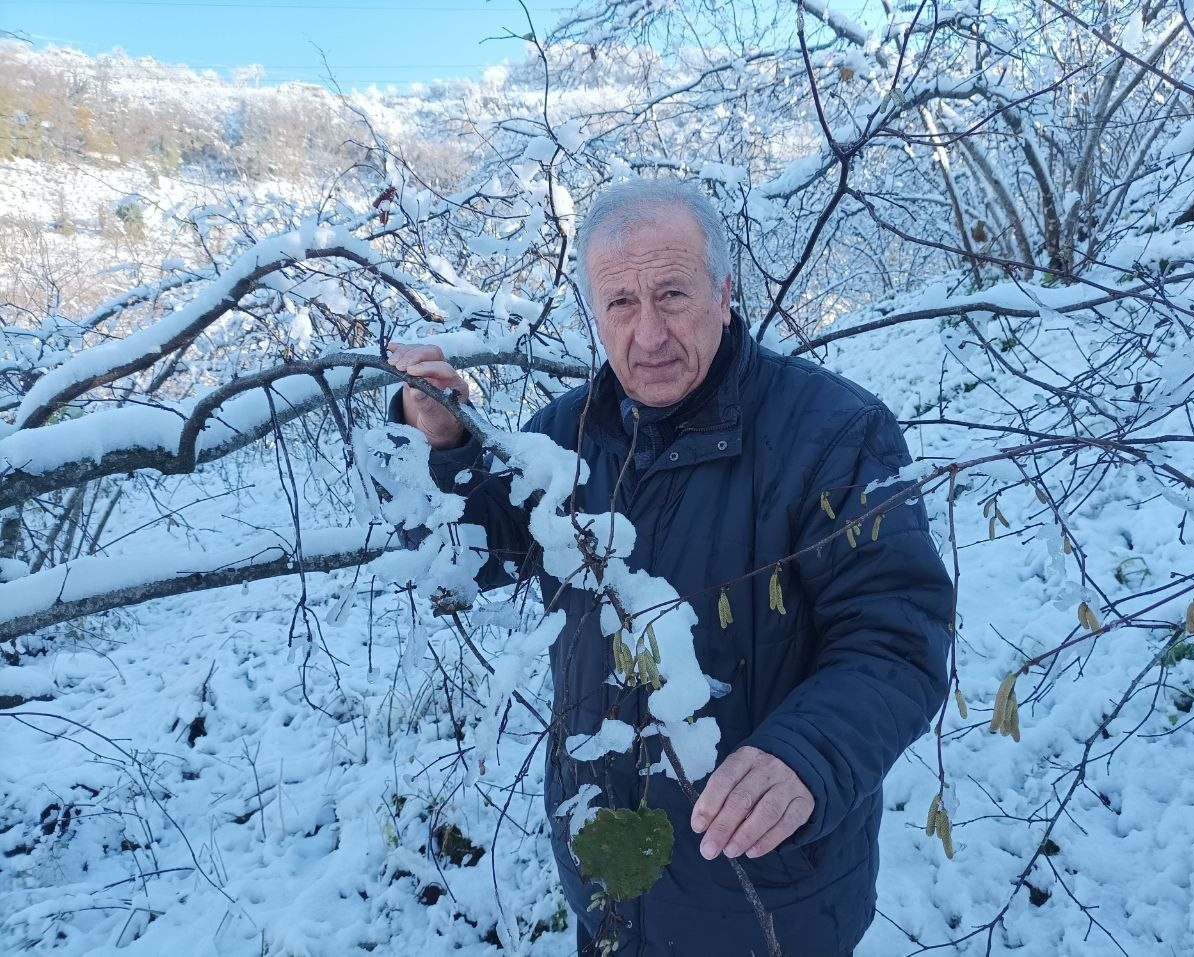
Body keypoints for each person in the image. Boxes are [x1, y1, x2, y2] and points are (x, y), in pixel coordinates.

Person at [387, 179, 952, 955]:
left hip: (769, 896)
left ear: (723, 293)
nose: (648, 334)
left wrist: (806, 753)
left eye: (672, 294)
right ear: (594, 313)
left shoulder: (833, 434)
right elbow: (466, 557)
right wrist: (443, 445)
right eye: (620, 303)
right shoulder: (564, 436)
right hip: (608, 880)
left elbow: (896, 637)